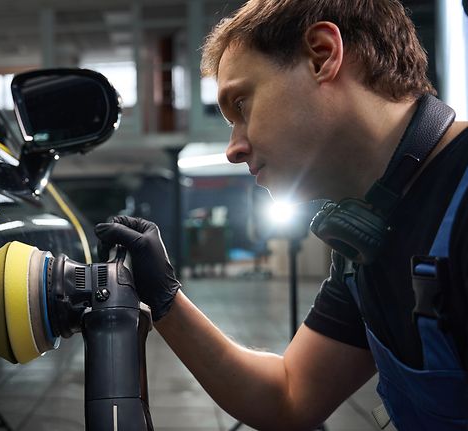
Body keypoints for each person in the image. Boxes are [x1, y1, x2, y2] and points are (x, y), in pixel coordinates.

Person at [95, 1, 468, 430]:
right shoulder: (365, 242)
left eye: (241, 104)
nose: (233, 148)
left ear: (322, 56)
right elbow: (288, 397)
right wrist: (165, 299)